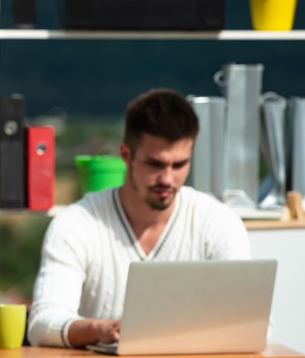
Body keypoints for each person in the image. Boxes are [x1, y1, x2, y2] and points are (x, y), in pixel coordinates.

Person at [27, 88, 251, 349]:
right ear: (126, 155)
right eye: (154, 164)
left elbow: (253, 323)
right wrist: (96, 328)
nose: (167, 179)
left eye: (179, 165)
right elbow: (42, 324)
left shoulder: (219, 223)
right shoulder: (76, 224)